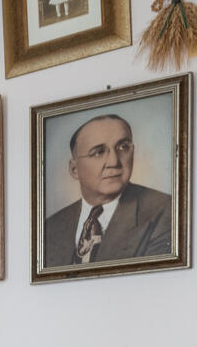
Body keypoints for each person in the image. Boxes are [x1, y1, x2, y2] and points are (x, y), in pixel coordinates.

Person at [39, 113, 171, 267]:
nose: (114, 162)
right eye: (99, 152)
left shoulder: (166, 211)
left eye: (123, 147)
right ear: (74, 169)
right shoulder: (51, 227)